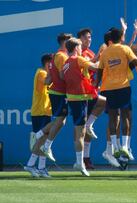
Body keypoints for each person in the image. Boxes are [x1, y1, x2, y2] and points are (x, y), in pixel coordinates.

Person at [97, 28, 137, 160]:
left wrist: (96, 84)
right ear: (120, 37)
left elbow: (99, 70)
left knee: (112, 117)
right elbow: (135, 63)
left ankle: (115, 146)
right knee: (126, 116)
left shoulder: (105, 52)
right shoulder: (125, 49)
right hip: (123, 87)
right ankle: (125, 146)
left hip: (108, 88)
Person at [62, 38, 99, 176]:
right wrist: (104, 59)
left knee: (80, 131)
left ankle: (79, 162)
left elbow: (62, 76)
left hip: (74, 98)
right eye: (79, 46)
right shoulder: (79, 59)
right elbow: (95, 67)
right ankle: (80, 163)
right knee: (80, 133)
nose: (81, 47)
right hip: (80, 99)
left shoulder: (66, 63)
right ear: (76, 48)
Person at [38, 33, 72, 162]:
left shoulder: (55, 56)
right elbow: (63, 76)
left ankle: (39, 135)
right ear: (65, 42)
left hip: (57, 92)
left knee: (60, 121)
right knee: (60, 121)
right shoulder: (62, 56)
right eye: (70, 41)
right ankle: (46, 145)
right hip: (59, 93)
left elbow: (49, 79)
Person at [77, 28, 106, 170]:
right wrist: (100, 55)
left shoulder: (90, 52)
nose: (89, 40)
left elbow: (97, 69)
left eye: (90, 37)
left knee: (86, 127)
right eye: (87, 37)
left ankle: (85, 157)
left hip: (92, 91)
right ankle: (81, 159)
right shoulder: (78, 54)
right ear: (80, 39)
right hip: (82, 94)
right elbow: (91, 66)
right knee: (81, 129)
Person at [24, 54, 53, 178]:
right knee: (42, 140)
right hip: (39, 112)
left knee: (45, 140)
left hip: (45, 112)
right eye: (52, 64)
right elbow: (49, 81)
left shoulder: (45, 73)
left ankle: (41, 167)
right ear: (47, 64)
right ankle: (30, 164)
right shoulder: (41, 73)